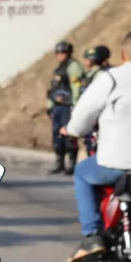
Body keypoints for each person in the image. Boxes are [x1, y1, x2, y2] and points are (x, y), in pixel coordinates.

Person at [63, 30, 131, 262]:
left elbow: (81, 118)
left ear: (123, 54)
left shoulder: (112, 78)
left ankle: (92, 235)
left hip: (119, 165)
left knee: (82, 173)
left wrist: (71, 131)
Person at [47, 40, 85, 175]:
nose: (60, 55)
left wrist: (75, 105)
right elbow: (53, 89)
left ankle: (72, 164)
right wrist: (50, 106)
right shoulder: (59, 68)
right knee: (57, 136)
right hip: (58, 106)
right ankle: (60, 163)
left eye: (63, 52)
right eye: (58, 52)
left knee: (69, 135)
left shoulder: (73, 66)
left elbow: (76, 87)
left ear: (68, 53)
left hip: (68, 106)